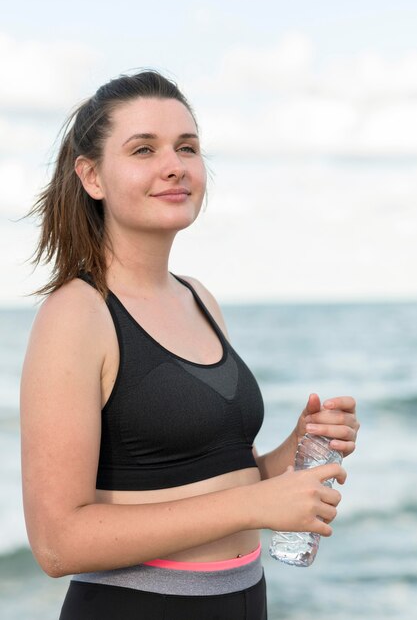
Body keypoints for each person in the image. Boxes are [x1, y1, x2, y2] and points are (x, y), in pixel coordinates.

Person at [20, 70, 359, 620]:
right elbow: (58, 543)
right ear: (92, 176)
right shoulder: (77, 315)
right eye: (143, 149)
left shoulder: (198, 297)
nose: (174, 164)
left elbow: (222, 475)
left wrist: (294, 453)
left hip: (246, 600)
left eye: (187, 147)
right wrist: (256, 503)